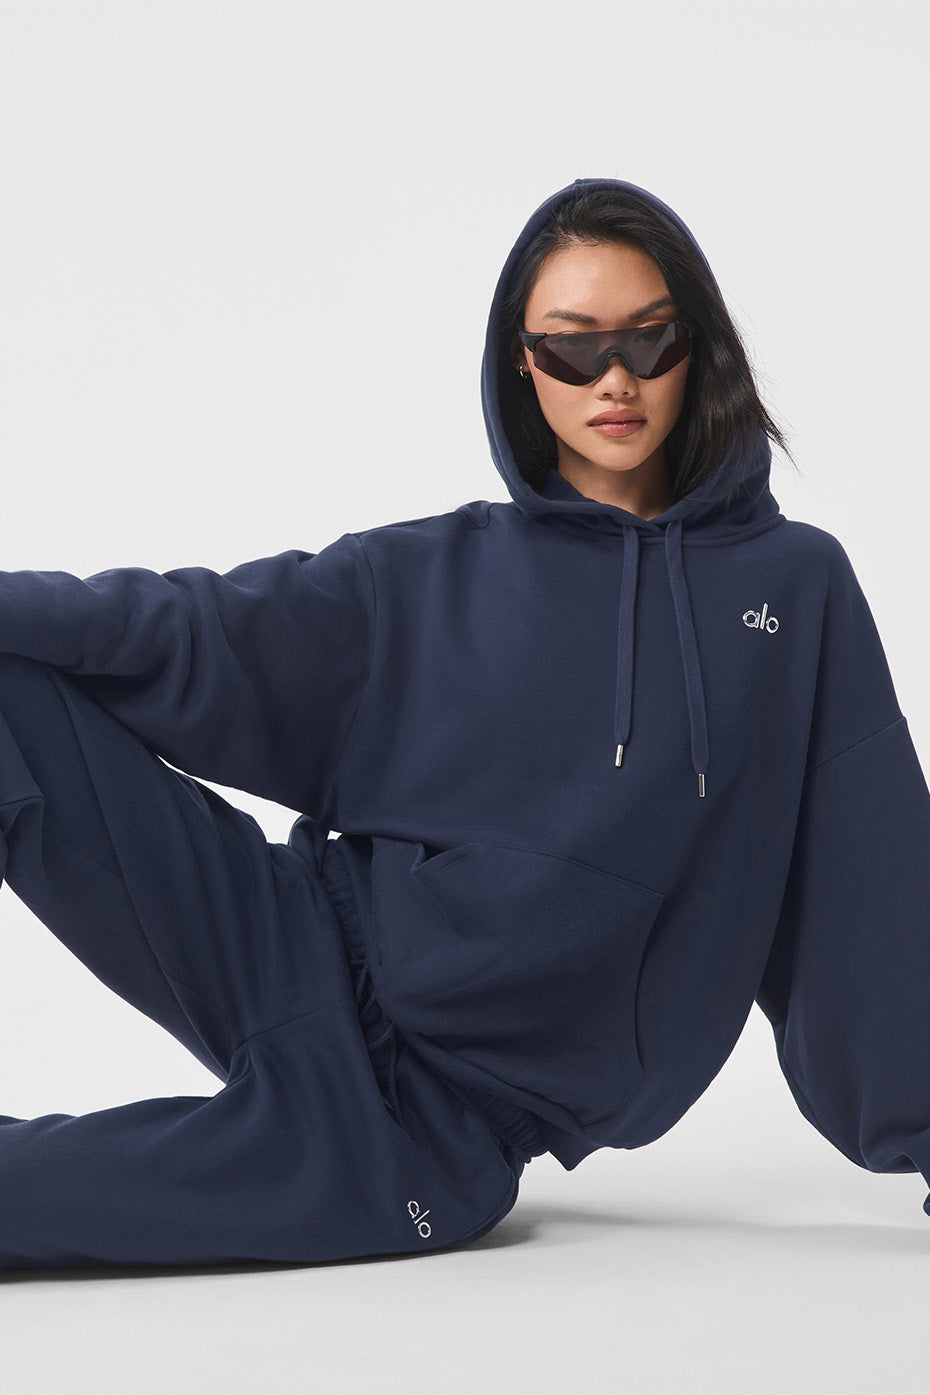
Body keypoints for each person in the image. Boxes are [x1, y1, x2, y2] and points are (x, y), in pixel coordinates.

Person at [1, 175, 929, 1271]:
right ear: (523, 363)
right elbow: (187, 630)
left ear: (699, 347)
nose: (616, 377)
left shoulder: (792, 590)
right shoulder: (435, 571)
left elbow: (868, 888)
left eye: (650, 339)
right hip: (285, 937)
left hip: (421, 1129)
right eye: (573, 346)